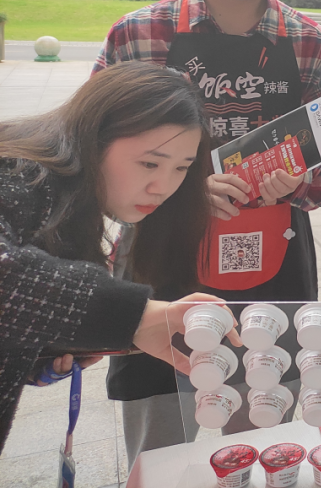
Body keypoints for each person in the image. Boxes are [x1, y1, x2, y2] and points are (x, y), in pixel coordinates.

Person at [93, 0, 321, 462]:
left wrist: (304, 181)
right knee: (157, 452)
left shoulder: (309, 45)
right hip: (161, 267)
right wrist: (178, 189)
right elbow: (92, 155)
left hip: (275, 269)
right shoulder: (139, 37)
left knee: (270, 438)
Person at [0, 63, 241, 453]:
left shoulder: (68, 205)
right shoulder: (19, 176)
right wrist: (134, 317)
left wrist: (36, 358)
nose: (163, 186)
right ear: (95, 137)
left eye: (182, 168)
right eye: (149, 163)